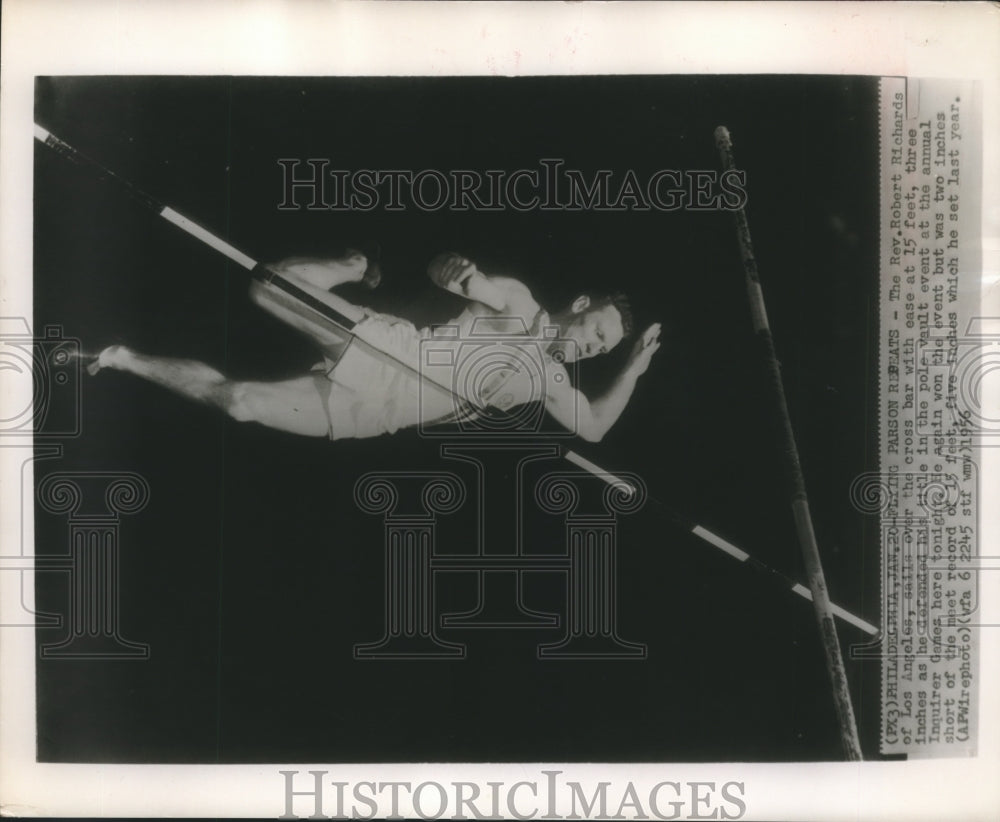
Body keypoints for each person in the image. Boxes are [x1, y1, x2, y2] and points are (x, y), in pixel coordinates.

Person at [86, 250, 661, 442]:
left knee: (240, 403)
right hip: (387, 351)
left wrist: (633, 370)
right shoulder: (520, 304)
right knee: (268, 287)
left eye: (603, 350)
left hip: (380, 412)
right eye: (598, 333)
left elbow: (593, 428)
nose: (594, 348)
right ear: (580, 305)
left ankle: (122, 358)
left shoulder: (550, 383)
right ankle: (351, 266)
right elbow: (469, 281)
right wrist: (456, 275)